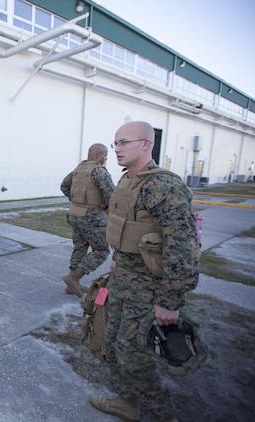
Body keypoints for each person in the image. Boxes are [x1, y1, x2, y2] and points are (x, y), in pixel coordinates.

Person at [89, 121, 199, 422]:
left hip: (149, 292)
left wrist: (170, 302)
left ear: (146, 144)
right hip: (122, 281)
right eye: (115, 143)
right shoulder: (127, 181)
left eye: (124, 142)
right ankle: (127, 402)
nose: (117, 149)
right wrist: (117, 258)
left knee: (134, 358)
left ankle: (162, 415)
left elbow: (183, 248)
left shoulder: (164, 187)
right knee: (111, 346)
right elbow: (127, 227)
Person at [60, 143, 114, 296]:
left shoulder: (78, 170)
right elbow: (112, 197)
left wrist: (76, 200)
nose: (106, 158)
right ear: (98, 156)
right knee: (101, 250)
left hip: (75, 214)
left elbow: (64, 186)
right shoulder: (100, 172)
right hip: (92, 217)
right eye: (105, 155)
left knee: (80, 248)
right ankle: (74, 277)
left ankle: (72, 285)